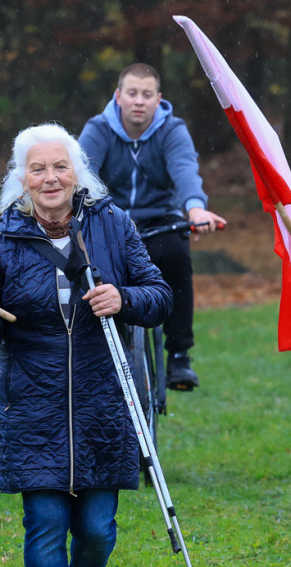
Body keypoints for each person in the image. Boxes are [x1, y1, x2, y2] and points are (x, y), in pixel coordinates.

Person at [0, 123, 171, 567]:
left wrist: (125, 298)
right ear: (21, 180)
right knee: (44, 524)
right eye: (37, 169)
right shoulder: (0, 240)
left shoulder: (112, 225)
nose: (50, 178)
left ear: (77, 173)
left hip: (103, 398)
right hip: (31, 400)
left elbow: (159, 294)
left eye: (59, 167)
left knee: (97, 529)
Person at [79, 63, 226, 391]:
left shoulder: (171, 131)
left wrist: (196, 208)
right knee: (93, 271)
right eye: (132, 93)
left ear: (158, 99)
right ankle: (95, 351)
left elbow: (185, 169)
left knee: (176, 257)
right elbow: (81, 176)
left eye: (147, 95)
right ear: (118, 96)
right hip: (109, 216)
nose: (139, 101)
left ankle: (178, 354)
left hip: (159, 217)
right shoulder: (98, 129)